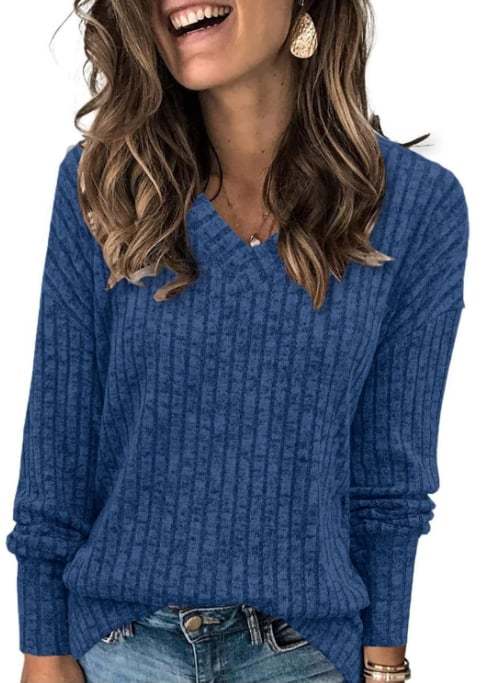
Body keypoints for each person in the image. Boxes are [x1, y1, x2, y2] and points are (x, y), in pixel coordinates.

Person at [6, 1, 469, 682]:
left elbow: (390, 474)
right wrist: (42, 648)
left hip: (308, 654)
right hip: (119, 650)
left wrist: (385, 665)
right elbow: (58, 441)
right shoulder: (103, 182)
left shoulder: (414, 205)